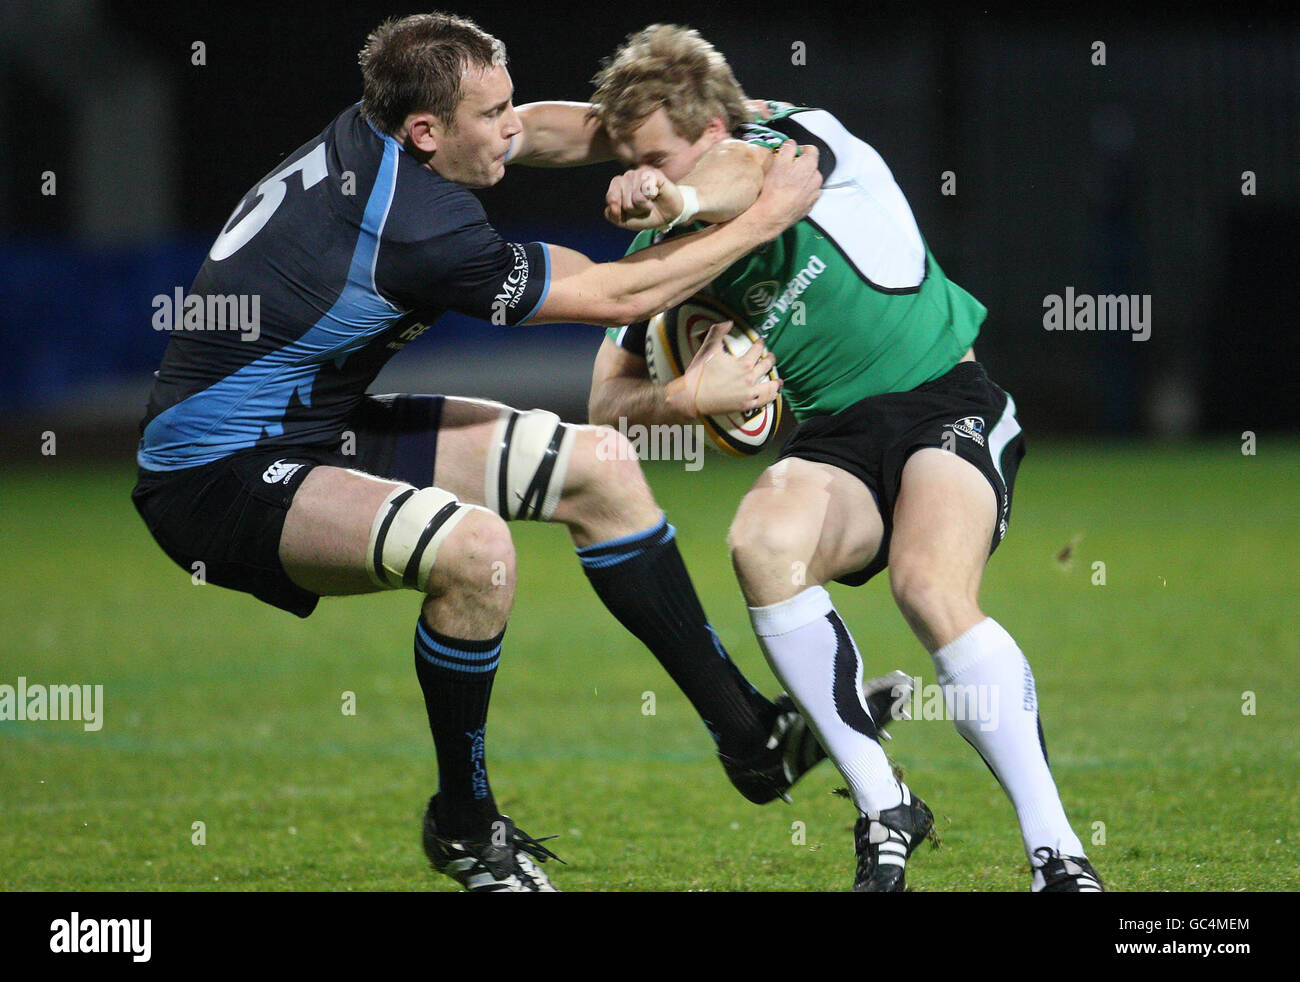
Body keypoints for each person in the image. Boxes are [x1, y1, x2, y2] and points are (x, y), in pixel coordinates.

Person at [130, 12, 827, 893]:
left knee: (601, 471)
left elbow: (560, 129)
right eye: (491, 114)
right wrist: (764, 216)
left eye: (506, 102)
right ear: (428, 131)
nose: (513, 127)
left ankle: (750, 739)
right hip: (215, 476)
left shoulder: (389, 128)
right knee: (475, 553)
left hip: (316, 421)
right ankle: (463, 826)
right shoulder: (418, 230)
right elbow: (617, 296)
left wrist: (714, 125)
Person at [584, 24, 1103, 892]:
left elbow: (739, 180)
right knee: (762, 541)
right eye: (626, 160)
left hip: (946, 401)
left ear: (712, 132)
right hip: (836, 443)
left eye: (652, 155)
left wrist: (670, 200)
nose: (634, 177)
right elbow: (607, 400)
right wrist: (687, 400)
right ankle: (884, 805)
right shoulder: (665, 258)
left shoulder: (798, 146)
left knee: (928, 588)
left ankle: (1058, 853)